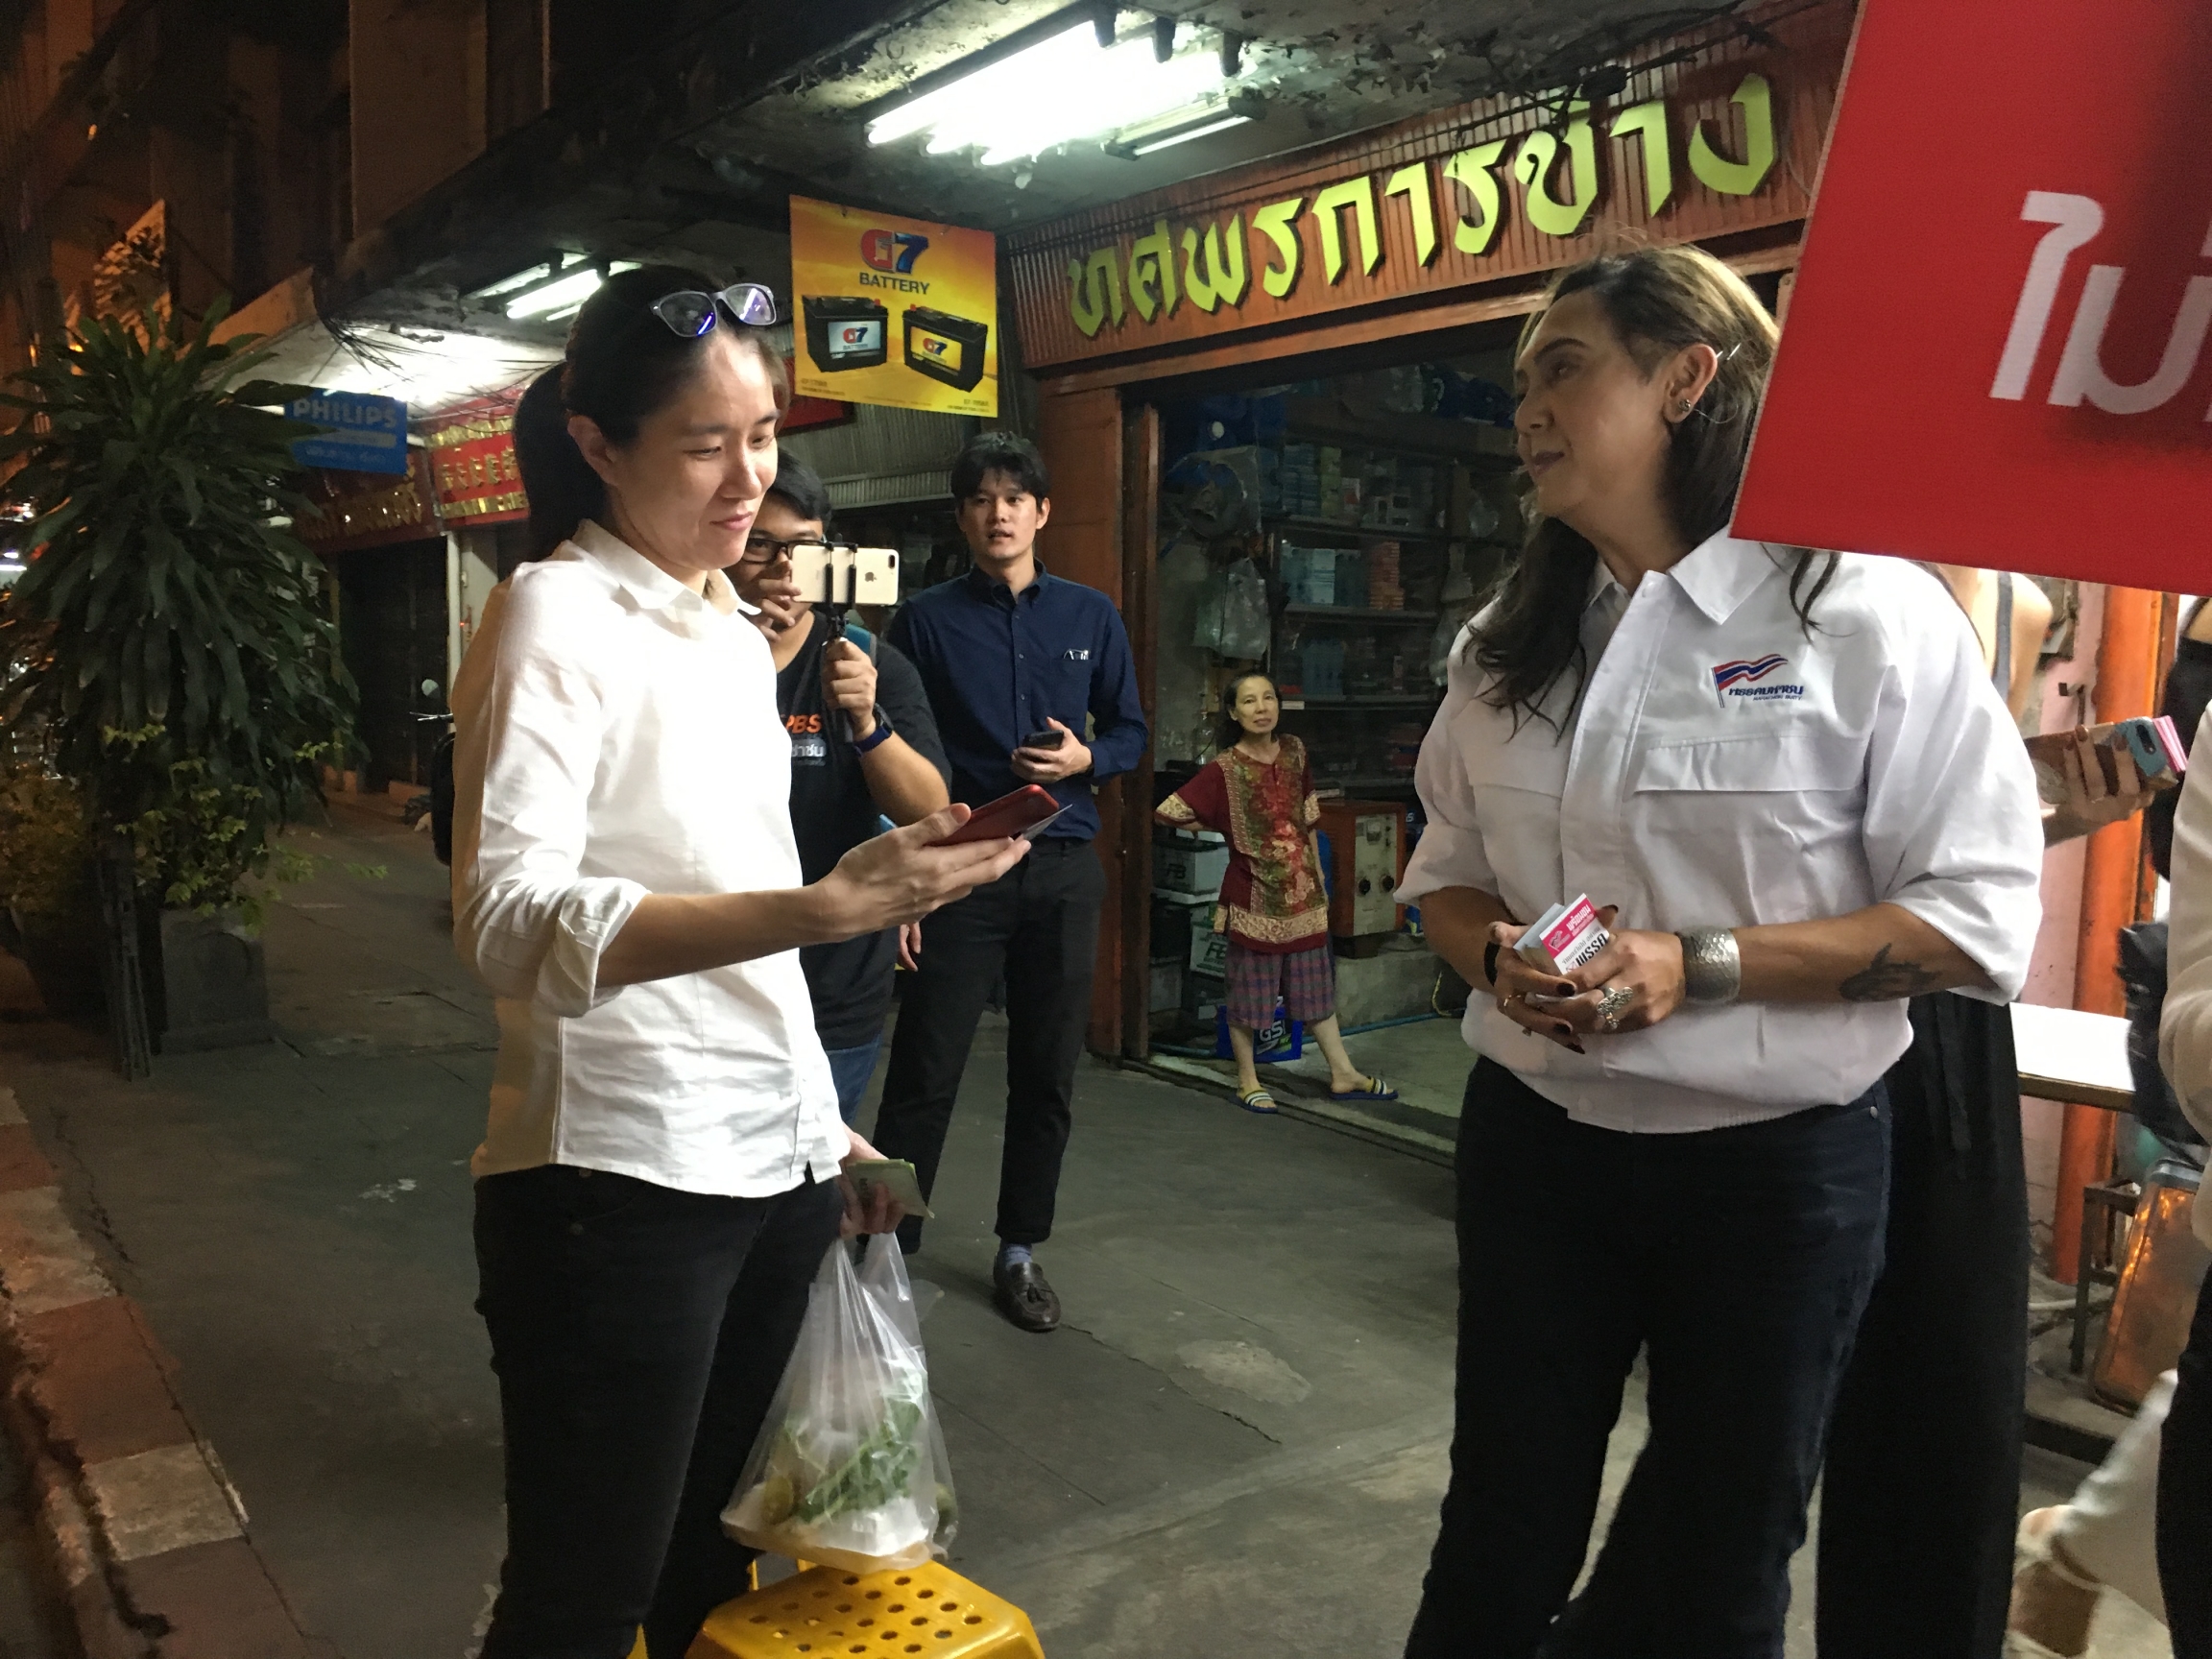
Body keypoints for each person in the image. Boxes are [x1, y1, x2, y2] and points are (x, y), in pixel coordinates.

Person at [1395, 245, 2044, 1658]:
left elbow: (1972, 918)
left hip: (1778, 1179)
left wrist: (1702, 966)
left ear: (1689, 377)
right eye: (1520, 385)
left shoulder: (1862, 612)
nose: (1529, 409)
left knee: (1718, 1555)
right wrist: (1492, 955)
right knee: (1498, 1530)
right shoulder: (1510, 642)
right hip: (1538, 1148)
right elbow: (1439, 878)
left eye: (1564, 367)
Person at [451, 267, 1027, 1659]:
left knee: (711, 1570)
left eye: (762, 435)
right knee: (581, 1600)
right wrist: (826, 912)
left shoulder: (721, 630)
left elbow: (736, 907)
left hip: (764, 1172)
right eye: (705, 446)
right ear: (598, 444)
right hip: (618, 1186)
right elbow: (508, 921)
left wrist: (824, 1133)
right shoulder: (551, 617)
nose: (745, 478)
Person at [1818, 565, 2159, 1659]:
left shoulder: (2008, 598)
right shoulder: (1811, 579)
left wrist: (2054, 803)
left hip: (1949, 1017)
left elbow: (1963, 846)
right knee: (1749, 1425)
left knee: (1951, 1395)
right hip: (1800, 1004)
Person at [871, 431, 1149, 1334]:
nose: (999, 513)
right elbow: (892, 748)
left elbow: (1134, 734)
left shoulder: (1090, 615)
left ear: (1042, 512)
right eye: (982, 499)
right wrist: (902, 872)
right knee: (925, 1063)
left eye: (1014, 498)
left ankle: (1021, 1248)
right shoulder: (921, 620)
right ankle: (886, 1248)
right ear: (963, 516)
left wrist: (1086, 757)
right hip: (960, 869)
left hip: (1064, 870)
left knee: (1047, 1070)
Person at [728, 451, 950, 1123]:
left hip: (840, 986)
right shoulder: (689, 655)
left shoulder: (871, 662)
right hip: (718, 973)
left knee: (818, 1178)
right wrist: (742, 666)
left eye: (802, 547)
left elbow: (927, 808)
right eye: (759, 544)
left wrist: (864, 720)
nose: (780, 569)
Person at [1153, 670, 1397, 1113]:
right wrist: (1221, 825)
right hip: (1254, 895)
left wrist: (1319, 879)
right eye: (1249, 701)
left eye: (1268, 698)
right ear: (1233, 712)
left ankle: (1343, 1072)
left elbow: (1307, 818)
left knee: (1316, 990)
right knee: (1250, 993)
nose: (1261, 708)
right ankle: (1247, 1078)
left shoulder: (1296, 752)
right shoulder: (1224, 768)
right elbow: (1169, 811)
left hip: (1304, 892)